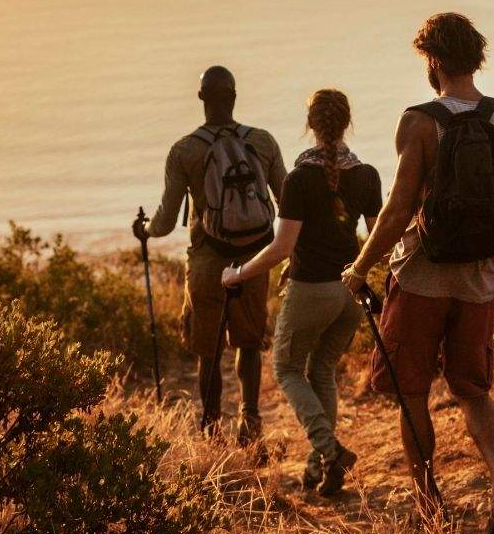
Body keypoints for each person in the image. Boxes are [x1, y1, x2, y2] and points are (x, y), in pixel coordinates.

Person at [341, 12, 494, 534]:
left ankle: (429, 501)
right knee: (473, 390)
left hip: (423, 276)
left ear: (433, 62)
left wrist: (359, 268)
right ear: (475, 59)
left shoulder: (418, 122)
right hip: (482, 277)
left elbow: (397, 211)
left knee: (412, 390)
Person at [221, 89, 381, 495]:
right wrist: (364, 275)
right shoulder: (367, 175)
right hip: (351, 292)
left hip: (312, 289)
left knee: (287, 370)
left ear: (311, 124)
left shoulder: (299, 179)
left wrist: (238, 273)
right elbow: (379, 237)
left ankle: (330, 451)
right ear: (347, 123)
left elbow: (281, 248)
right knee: (321, 369)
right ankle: (319, 468)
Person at [135, 66, 286, 442]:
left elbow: (167, 221)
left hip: (206, 260)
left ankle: (212, 426)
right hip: (253, 259)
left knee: (208, 350)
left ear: (201, 98)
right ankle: (249, 423)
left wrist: (145, 231)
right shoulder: (263, 142)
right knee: (248, 344)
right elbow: (287, 199)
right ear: (234, 96)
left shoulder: (185, 150)